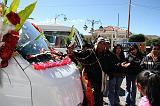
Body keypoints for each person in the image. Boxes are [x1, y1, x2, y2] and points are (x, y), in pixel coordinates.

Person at [73, 37, 116, 106]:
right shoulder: (89, 52)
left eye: (103, 43)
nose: (102, 45)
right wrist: (71, 51)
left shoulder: (106, 55)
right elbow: (79, 56)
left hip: (101, 82)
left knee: (99, 99)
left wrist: (112, 74)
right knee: (91, 99)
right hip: (90, 81)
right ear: (96, 44)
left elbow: (109, 67)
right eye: (100, 43)